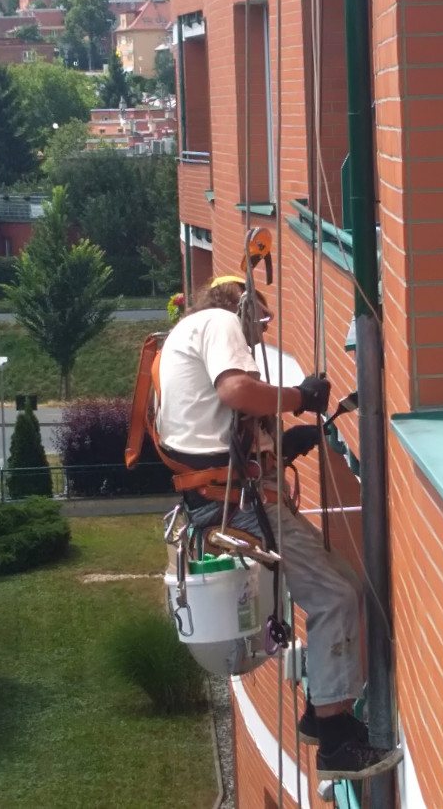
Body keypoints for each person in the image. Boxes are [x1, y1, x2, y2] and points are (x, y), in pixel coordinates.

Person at [157, 275, 402, 780]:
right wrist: (299, 396)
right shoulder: (220, 321)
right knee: (335, 596)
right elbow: (236, 391)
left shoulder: (187, 334)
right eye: (262, 320)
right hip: (237, 501)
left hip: (223, 493)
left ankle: (322, 709)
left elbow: (208, 424)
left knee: (343, 585)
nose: (262, 333)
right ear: (241, 306)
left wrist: (281, 446)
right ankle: (335, 743)